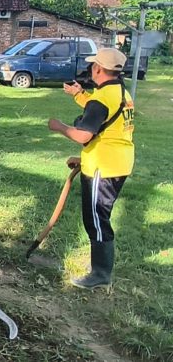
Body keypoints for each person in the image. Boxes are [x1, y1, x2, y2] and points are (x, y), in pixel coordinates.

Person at [48, 48, 134, 289]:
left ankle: (100, 274)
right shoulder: (121, 92)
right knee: (99, 217)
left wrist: (59, 126)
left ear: (98, 68)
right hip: (116, 162)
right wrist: (79, 95)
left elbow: (84, 134)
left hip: (103, 169)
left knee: (96, 219)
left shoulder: (102, 98)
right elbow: (108, 126)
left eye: (93, 65)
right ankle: (100, 269)